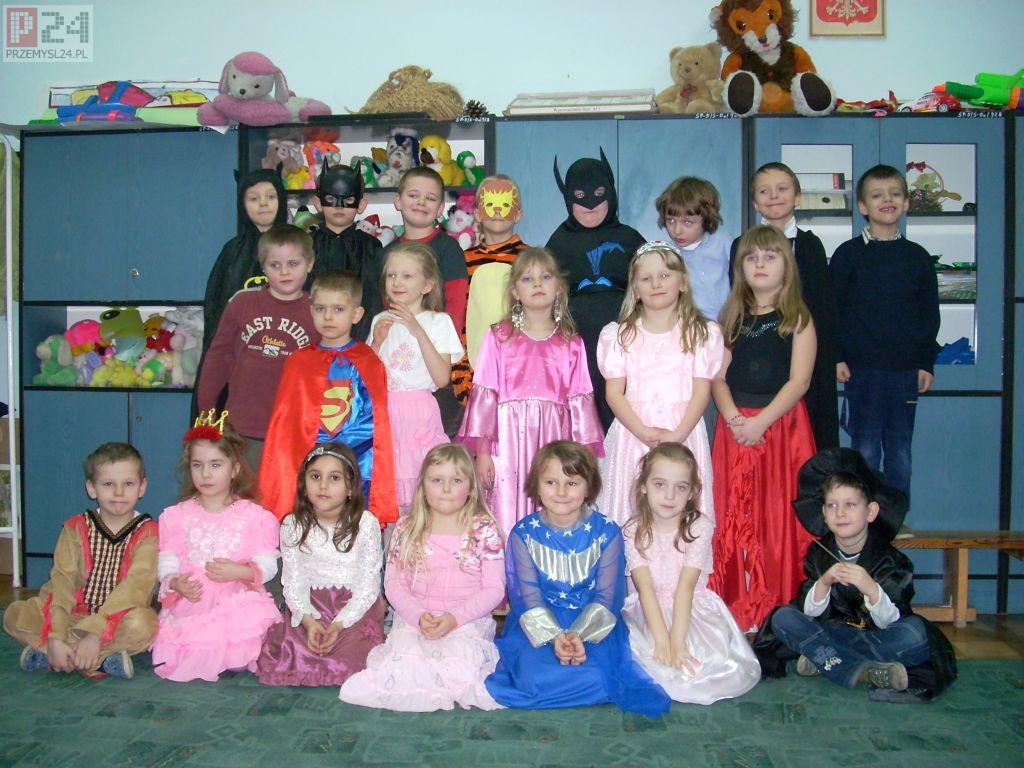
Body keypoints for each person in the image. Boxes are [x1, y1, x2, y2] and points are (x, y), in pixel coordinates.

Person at [753, 448, 957, 702]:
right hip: (832, 632)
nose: (840, 513)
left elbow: (893, 620)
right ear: (824, 514)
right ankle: (863, 670)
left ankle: (826, 659)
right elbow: (808, 612)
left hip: (877, 637)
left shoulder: (890, 560)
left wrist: (870, 588)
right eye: (832, 505)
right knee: (783, 618)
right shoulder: (818, 554)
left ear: (870, 512)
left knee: (915, 633)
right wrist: (824, 582)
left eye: (850, 504)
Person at [485, 441, 670, 718]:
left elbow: (608, 597)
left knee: (599, 676)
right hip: (538, 623)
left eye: (572, 483)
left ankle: (585, 668)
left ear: (588, 487)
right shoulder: (523, 534)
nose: (561, 492)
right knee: (535, 680)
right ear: (537, 486)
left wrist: (579, 635)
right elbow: (527, 598)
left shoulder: (607, 532)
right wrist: (555, 637)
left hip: (594, 622)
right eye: (551, 482)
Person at [338, 444, 505, 711]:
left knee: (458, 670)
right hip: (416, 620)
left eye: (456, 481)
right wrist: (417, 616)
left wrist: (454, 618)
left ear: (471, 488)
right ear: (423, 486)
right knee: (402, 665)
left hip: (465, 621)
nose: (446, 489)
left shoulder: (483, 528)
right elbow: (393, 584)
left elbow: (494, 589)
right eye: (437, 480)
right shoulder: (407, 527)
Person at [710, 225, 817, 633]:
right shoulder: (731, 318)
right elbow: (718, 377)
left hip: (780, 429)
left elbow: (799, 382)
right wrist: (734, 418)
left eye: (770, 257)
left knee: (775, 518)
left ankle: (777, 605)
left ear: (786, 267)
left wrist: (761, 422)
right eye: (751, 258)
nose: (760, 264)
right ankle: (738, 603)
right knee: (735, 514)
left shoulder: (797, 319)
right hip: (736, 429)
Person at [456, 248, 604, 536]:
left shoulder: (570, 342)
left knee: (553, 503)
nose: (537, 284)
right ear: (515, 291)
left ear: (559, 288)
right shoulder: (499, 336)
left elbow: (581, 401)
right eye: (527, 279)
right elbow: (485, 395)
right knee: (504, 509)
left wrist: (584, 456)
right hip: (506, 440)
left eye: (545, 277)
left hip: (553, 437)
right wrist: (483, 453)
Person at [830, 164, 940, 509]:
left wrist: (926, 362)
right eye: (877, 195)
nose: (887, 200)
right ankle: (863, 519)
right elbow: (832, 311)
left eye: (894, 194)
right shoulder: (848, 254)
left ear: (906, 203)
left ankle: (894, 517)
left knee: (900, 450)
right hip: (861, 370)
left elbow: (929, 315)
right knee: (864, 449)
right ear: (863, 206)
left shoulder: (918, 257)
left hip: (904, 372)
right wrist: (836, 356)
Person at [596, 240, 723, 528]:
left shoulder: (701, 334)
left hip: (682, 429)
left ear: (683, 282)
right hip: (633, 431)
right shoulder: (620, 335)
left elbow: (701, 393)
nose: (656, 284)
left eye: (665, 275)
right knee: (630, 510)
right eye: (646, 278)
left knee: (679, 513)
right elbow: (614, 394)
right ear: (635, 288)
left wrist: (677, 436)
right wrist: (644, 432)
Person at [621, 443, 760, 704]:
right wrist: (662, 641)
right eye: (659, 484)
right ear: (643, 486)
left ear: (693, 492)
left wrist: (677, 642)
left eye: (680, 487)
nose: (669, 496)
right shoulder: (633, 530)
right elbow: (645, 588)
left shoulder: (699, 527)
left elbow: (685, 588)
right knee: (641, 658)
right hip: (649, 610)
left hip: (690, 608)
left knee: (704, 664)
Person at [4, 443, 156, 679]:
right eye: (108, 484)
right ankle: (91, 657)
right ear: (91, 488)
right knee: (15, 614)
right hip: (71, 616)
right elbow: (61, 583)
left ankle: (59, 654)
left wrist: (95, 634)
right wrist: (55, 634)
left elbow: (136, 588)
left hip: (115, 621)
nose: (118, 493)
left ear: (142, 487)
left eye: (128, 484)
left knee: (145, 625)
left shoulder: (148, 532)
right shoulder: (75, 528)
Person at [258, 269, 397, 526]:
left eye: (338, 309)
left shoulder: (368, 360)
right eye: (321, 309)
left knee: (351, 529)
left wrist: (349, 458)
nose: (328, 317)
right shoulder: (299, 361)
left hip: (355, 461)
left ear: (356, 314)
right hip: (310, 464)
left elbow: (376, 421)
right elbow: (285, 427)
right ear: (311, 311)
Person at [151, 414, 281, 682]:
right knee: (187, 647)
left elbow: (268, 564)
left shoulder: (255, 517)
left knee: (249, 634)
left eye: (216, 465)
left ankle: (230, 653)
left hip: (235, 599)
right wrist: (174, 582)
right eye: (197, 465)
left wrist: (240, 571)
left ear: (234, 469)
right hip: (193, 601)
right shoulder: (176, 516)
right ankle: (210, 653)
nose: (206, 474)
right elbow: (167, 560)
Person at [257, 443, 385, 686]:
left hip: (353, 606)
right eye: (315, 477)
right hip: (310, 605)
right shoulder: (292, 524)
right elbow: (293, 581)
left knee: (350, 656)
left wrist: (340, 624)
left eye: (334, 478)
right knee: (297, 651)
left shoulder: (365, 523)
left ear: (350, 488)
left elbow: (368, 585)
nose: (323, 485)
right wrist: (308, 621)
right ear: (304, 485)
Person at [196, 223, 318, 470]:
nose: (284, 272)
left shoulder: (317, 310)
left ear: (310, 264)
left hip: (294, 431)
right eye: (275, 265)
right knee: (243, 493)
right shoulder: (242, 303)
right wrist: (207, 412)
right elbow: (217, 360)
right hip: (241, 430)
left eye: (293, 263)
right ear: (263, 267)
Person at [736, 162, 838, 449]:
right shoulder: (740, 245)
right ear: (754, 202)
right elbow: (740, 298)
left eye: (782, 189)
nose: (774, 196)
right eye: (764, 191)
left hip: (805, 349)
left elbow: (823, 306)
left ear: (797, 197)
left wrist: (835, 357)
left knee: (809, 435)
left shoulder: (811, 245)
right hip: (760, 353)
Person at [545, 148, 646, 429]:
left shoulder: (630, 238)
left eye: (598, 193)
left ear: (610, 194)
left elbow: (655, 288)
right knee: (581, 421)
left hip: (626, 344)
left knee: (624, 415)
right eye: (580, 196)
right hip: (574, 346)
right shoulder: (557, 242)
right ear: (568, 198)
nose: (590, 203)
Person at [369, 243, 463, 510]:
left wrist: (416, 329)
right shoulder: (380, 320)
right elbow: (367, 376)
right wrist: (377, 342)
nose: (397, 282)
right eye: (391, 275)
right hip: (384, 411)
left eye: (407, 276)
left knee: (421, 488)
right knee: (388, 488)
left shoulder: (439, 322)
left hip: (419, 412)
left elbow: (441, 378)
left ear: (427, 285)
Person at [451, 175, 530, 403]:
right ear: (477, 213)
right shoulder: (462, 260)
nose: (496, 211)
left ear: (518, 214)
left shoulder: (530, 259)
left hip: (521, 367)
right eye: (490, 204)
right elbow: (459, 315)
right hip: (474, 368)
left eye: (505, 204)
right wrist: (461, 366)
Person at [202, 168, 288, 350]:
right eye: (254, 198)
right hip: (241, 351)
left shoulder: (296, 246)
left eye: (271, 197)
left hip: (288, 345)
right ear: (242, 204)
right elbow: (217, 307)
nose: (263, 204)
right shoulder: (233, 251)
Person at [381, 166, 469, 335]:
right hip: (395, 340)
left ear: (440, 208)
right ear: (398, 201)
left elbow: (456, 301)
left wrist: (448, 342)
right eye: (413, 195)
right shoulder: (387, 253)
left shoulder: (449, 248)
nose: (421, 202)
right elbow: (383, 302)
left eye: (430, 198)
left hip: (436, 342)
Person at [308, 160, 383, 342]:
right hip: (312, 340)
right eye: (330, 198)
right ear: (318, 202)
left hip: (359, 339)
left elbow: (373, 298)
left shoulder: (370, 246)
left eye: (348, 199)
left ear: (361, 204)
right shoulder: (306, 245)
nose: (339, 206)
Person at [655, 176, 732, 323]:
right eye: (671, 220)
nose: (677, 230)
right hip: (686, 327)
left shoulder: (724, 244)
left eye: (687, 222)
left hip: (726, 326)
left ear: (706, 218)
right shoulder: (665, 253)